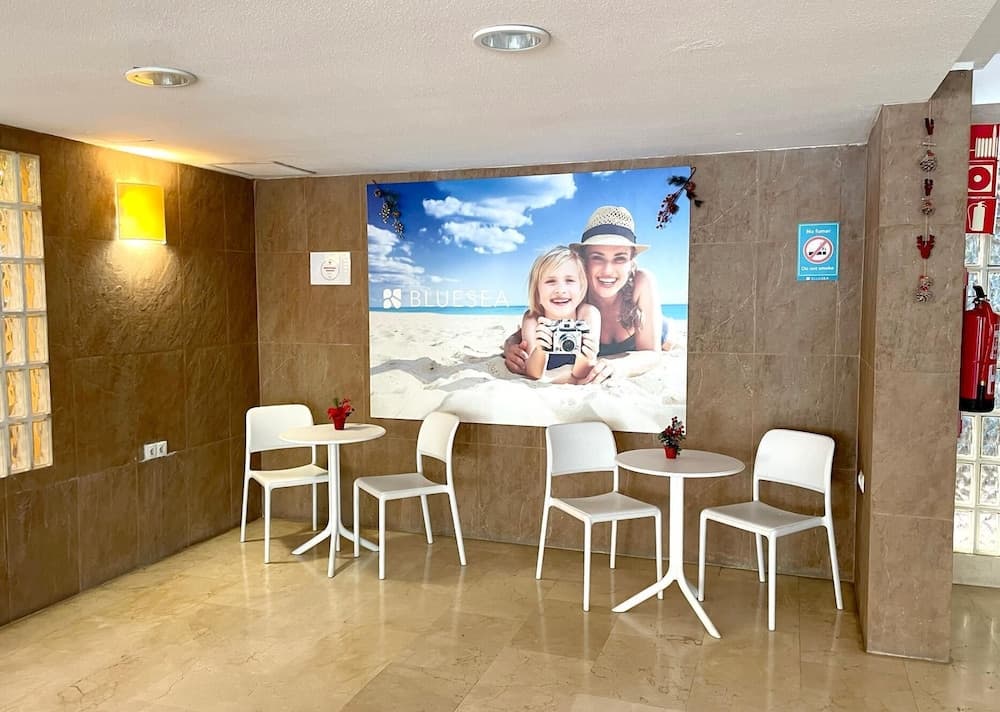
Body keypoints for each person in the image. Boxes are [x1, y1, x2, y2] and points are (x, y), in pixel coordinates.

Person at [503, 205, 664, 383]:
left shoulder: (642, 282)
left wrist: (617, 366)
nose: (607, 270)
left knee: (667, 339)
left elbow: (652, 353)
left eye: (620, 258)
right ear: (584, 260)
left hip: (647, 324)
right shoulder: (573, 290)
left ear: (631, 262)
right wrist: (510, 344)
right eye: (597, 257)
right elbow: (535, 323)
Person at [519, 246, 600, 382]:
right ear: (537, 292)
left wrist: (586, 357)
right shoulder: (532, 319)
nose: (561, 290)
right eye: (550, 281)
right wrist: (540, 350)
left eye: (570, 280)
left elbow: (581, 374)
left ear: (581, 288)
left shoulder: (588, 314)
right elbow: (533, 374)